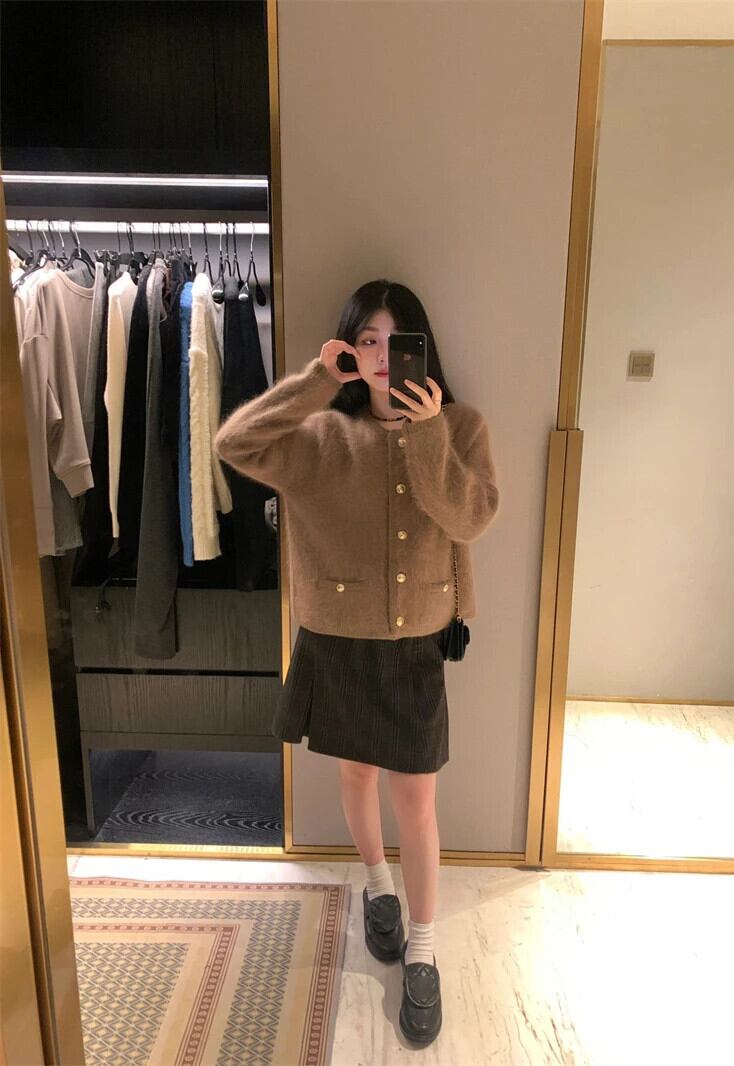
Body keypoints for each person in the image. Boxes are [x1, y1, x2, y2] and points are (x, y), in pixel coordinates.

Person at [214, 278, 499, 1047]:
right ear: (348, 348)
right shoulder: (319, 436)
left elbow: (471, 516)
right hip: (337, 640)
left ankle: (423, 950)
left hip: (416, 645)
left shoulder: (462, 427)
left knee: (419, 802)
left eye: (395, 341)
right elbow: (235, 443)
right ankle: (378, 887)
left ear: (421, 350)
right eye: (366, 340)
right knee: (355, 776)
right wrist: (317, 380)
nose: (380, 355)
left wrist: (427, 432)